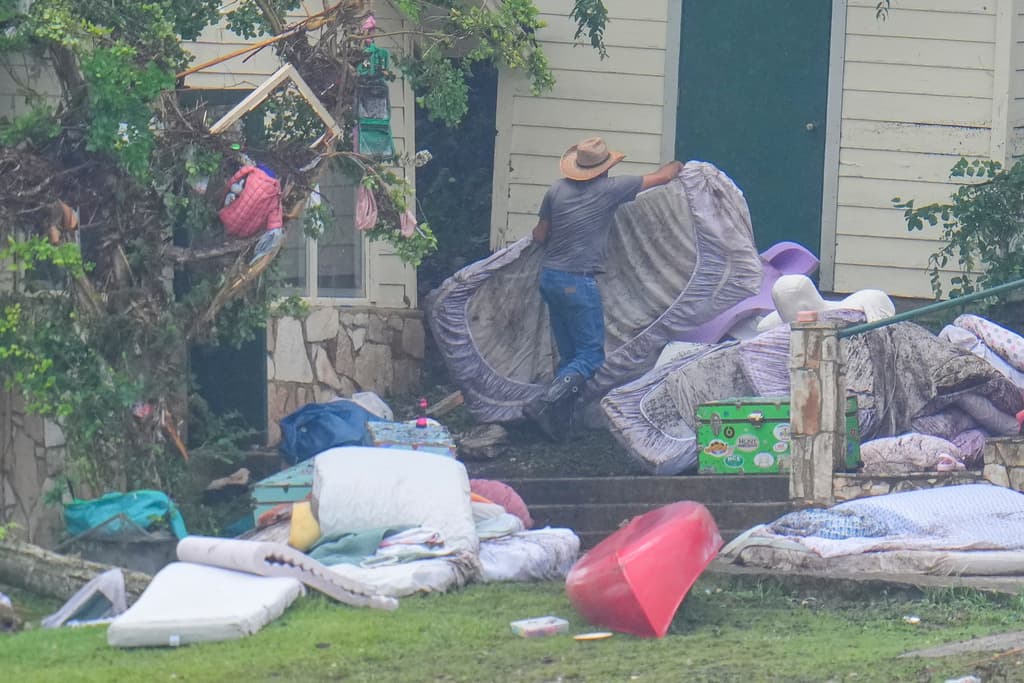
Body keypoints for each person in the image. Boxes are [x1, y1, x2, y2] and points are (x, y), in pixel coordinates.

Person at [525, 136, 684, 440]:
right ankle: (545, 403)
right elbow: (664, 176)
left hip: (550, 278)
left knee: (571, 355)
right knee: (590, 356)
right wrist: (680, 164)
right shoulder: (611, 189)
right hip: (577, 282)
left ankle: (558, 426)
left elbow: (539, 235)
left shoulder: (556, 189)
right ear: (603, 168)